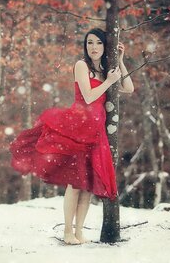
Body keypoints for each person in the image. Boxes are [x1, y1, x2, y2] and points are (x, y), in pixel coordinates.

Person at [9, 27, 134, 244]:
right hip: (78, 128)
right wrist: (109, 82)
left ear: (105, 46)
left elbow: (129, 88)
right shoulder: (81, 65)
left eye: (98, 43)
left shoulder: (106, 70)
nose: (93, 47)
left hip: (96, 133)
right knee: (74, 184)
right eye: (90, 43)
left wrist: (121, 61)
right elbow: (88, 96)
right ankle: (68, 231)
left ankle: (78, 233)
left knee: (86, 186)